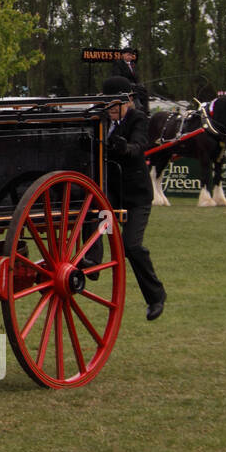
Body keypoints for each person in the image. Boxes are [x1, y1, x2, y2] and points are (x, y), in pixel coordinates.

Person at [100, 75, 167, 321]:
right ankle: (91, 262)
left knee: (131, 246)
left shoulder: (138, 118)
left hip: (136, 196)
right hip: (112, 194)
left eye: (115, 104)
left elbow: (139, 145)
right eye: (108, 105)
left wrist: (124, 147)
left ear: (128, 101)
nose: (111, 110)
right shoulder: (103, 120)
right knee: (94, 219)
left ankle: (156, 296)